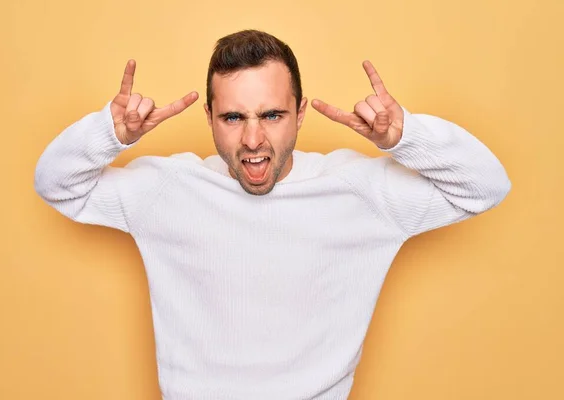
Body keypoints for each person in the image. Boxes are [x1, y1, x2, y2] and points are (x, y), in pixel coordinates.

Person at [34, 29, 511, 400]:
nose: (253, 140)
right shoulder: (169, 189)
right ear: (210, 119)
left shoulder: (359, 192)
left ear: (300, 113)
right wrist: (108, 133)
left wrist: (403, 137)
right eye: (234, 117)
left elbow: (485, 186)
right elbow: (57, 185)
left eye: (272, 115)